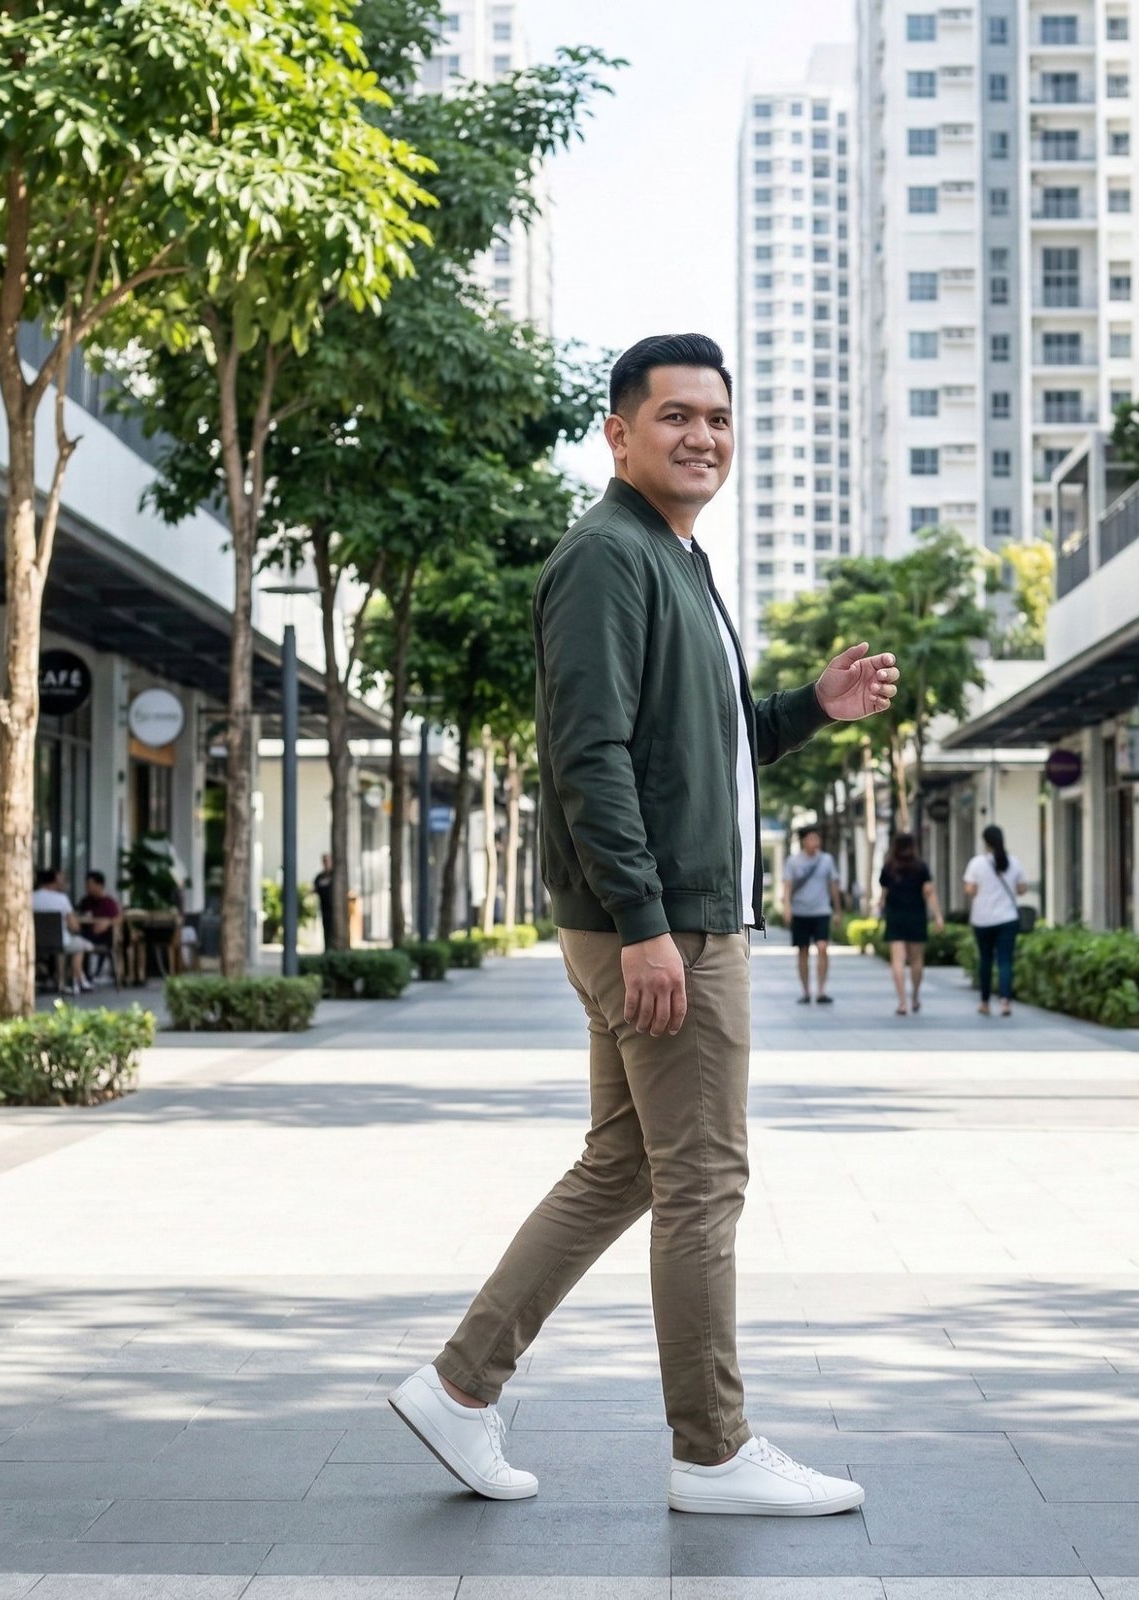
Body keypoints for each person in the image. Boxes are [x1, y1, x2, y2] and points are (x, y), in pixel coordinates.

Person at [388, 333, 898, 1517]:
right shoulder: (608, 557)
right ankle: (711, 1449)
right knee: (705, 1179)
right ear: (619, 433)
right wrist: (647, 924)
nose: (702, 436)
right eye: (675, 416)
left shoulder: (674, 559)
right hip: (667, 927)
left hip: (666, 916)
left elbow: (698, 752)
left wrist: (808, 710)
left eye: (718, 418)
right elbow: (588, 757)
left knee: (626, 1165)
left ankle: (460, 1387)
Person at [963, 824, 1028, 1017]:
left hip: (982, 919)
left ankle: (984, 1002)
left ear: (985, 842)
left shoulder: (977, 863)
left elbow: (970, 890)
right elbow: (1022, 888)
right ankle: (1005, 1002)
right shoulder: (1014, 862)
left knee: (985, 960)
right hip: (1007, 918)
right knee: (1005, 961)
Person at [878, 832, 944, 1016]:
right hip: (916, 916)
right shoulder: (921, 867)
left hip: (896, 916)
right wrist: (938, 916)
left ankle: (902, 1002)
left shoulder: (888, 868)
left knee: (897, 960)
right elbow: (929, 893)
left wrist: (879, 908)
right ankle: (915, 996)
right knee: (916, 960)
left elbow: (883, 897)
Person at [783, 825, 842, 1005]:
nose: (815, 842)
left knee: (823, 947)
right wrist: (787, 908)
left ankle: (822, 991)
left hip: (821, 911)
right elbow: (788, 887)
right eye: (811, 838)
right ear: (803, 841)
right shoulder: (793, 862)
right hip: (801, 912)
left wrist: (838, 910)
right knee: (803, 951)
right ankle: (806, 991)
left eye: (817, 838)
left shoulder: (826, 860)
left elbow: (833, 886)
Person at [31, 867, 94, 993]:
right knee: (80, 945)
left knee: (76, 944)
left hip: (34, 942)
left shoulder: (31, 897)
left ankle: (73, 979)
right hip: (60, 942)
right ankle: (76, 980)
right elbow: (74, 926)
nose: (63, 881)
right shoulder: (61, 899)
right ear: (53, 881)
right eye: (61, 878)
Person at [77, 870, 122, 980]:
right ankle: (83, 976)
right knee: (79, 939)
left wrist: (107, 923)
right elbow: (77, 915)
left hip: (104, 937)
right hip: (87, 933)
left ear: (99, 885)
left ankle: (94, 974)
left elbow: (117, 918)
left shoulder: (109, 903)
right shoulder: (85, 901)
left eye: (90, 885)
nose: (88, 888)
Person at [313, 854, 335, 949]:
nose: (326, 863)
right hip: (324, 908)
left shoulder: (335, 876)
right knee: (326, 930)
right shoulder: (320, 877)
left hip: (335, 909)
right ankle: (327, 949)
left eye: (328, 860)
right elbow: (315, 889)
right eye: (324, 861)